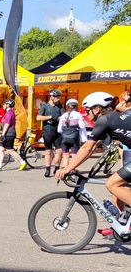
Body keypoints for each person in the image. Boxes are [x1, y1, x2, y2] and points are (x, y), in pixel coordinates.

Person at [56, 91, 131, 220]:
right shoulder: (110, 118)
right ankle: (121, 225)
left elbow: (87, 148)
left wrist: (67, 169)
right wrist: (71, 167)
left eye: (87, 110)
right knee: (118, 188)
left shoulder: (104, 120)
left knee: (111, 184)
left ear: (97, 109)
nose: (86, 113)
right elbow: (91, 148)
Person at [37, 88, 64, 177]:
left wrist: (60, 118)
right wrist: (50, 117)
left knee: (59, 151)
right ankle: (47, 169)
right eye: (57, 97)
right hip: (47, 131)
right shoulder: (45, 106)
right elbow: (38, 117)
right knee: (48, 151)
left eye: (59, 97)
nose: (58, 99)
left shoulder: (60, 106)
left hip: (58, 132)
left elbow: (63, 116)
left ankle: (56, 168)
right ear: (52, 97)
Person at [0, 98, 26, 171]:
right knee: (1, 149)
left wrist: (3, 134)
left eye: (4, 104)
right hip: (7, 133)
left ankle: (22, 162)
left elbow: (7, 124)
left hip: (9, 134)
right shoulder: (9, 112)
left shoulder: (9, 113)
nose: (3, 105)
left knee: (10, 150)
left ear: (8, 105)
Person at [57, 98, 88, 170]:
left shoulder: (63, 116)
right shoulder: (78, 115)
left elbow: (59, 130)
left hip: (64, 138)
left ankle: (65, 169)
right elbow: (82, 126)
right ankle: (72, 169)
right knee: (74, 154)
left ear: (67, 106)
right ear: (76, 106)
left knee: (65, 155)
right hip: (74, 138)